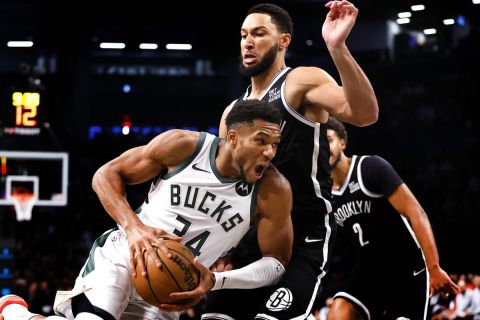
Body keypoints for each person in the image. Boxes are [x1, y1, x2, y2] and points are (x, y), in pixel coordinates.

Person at [0, 99, 294, 320]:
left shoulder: (273, 190)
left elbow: (276, 263)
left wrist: (215, 281)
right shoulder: (185, 147)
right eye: (261, 142)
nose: (269, 152)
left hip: (169, 289)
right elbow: (105, 175)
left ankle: (17, 314)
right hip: (123, 257)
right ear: (232, 138)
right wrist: (134, 228)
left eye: (274, 144)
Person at [202, 1, 378, 320]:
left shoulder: (300, 81)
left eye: (259, 33)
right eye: (243, 35)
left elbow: (365, 114)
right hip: (251, 241)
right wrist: (220, 248)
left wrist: (337, 48)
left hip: (304, 234)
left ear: (284, 41)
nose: (248, 42)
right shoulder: (232, 112)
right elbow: (226, 188)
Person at [324, 117, 459, 320]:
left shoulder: (370, 168)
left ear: (342, 142)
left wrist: (434, 267)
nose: (324, 148)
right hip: (368, 272)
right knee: (339, 311)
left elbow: (417, 213)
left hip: (406, 268)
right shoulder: (323, 197)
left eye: (328, 140)